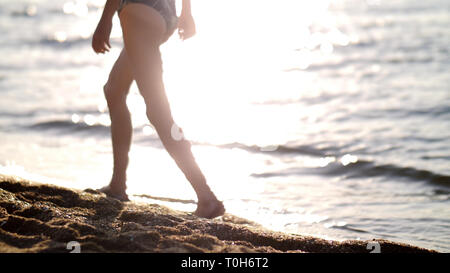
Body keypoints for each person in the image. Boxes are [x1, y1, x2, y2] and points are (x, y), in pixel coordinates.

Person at [91, 0, 225, 219]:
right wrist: (186, 12)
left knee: (158, 111)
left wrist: (104, 21)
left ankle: (206, 197)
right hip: (163, 13)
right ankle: (117, 185)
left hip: (138, 10)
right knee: (114, 90)